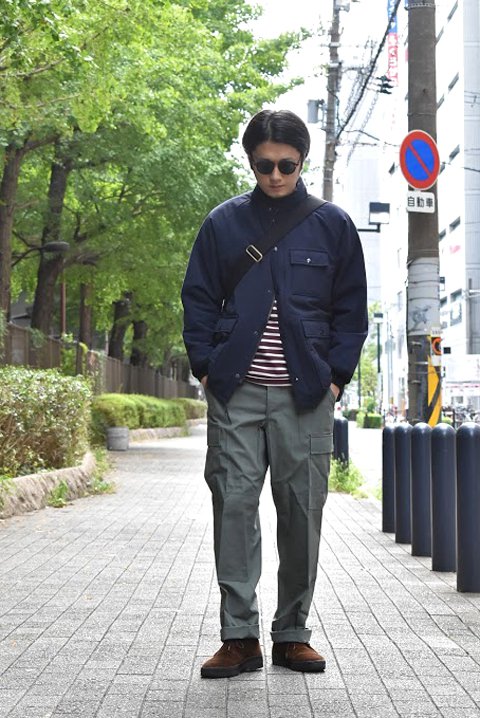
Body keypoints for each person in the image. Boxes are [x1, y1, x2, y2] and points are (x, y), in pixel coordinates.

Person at [181, 109, 367, 679]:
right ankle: (239, 638)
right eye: (265, 166)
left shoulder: (333, 226)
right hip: (235, 392)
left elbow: (350, 311)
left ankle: (291, 634)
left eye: (287, 165)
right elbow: (198, 298)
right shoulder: (223, 223)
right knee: (234, 507)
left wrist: (335, 378)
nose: (276, 176)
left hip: (306, 396)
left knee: (302, 513)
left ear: (302, 161)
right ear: (252, 162)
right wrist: (207, 369)